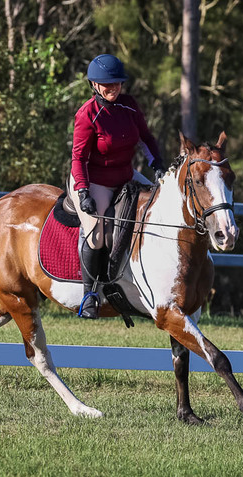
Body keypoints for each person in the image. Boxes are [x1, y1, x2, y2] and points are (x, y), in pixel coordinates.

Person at [69, 54, 166, 319]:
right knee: (98, 235)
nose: (113, 89)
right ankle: (90, 295)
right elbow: (78, 158)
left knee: (163, 202)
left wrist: (156, 162)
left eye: (117, 84)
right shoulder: (87, 114)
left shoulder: (130, 106)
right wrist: (82, 190)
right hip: (93, 178)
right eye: (106, 85)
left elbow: (146, 138)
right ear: (94, 85)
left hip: (126, 176)